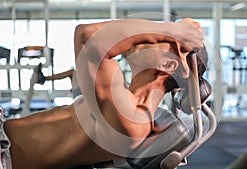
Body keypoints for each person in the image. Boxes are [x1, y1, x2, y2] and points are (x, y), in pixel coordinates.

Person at [1, 18, 204, 169]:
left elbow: (88, 37)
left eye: (160, 40)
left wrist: (171, 30)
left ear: (167, 63)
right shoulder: (124, 97)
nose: (148, 37)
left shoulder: (134, 121)